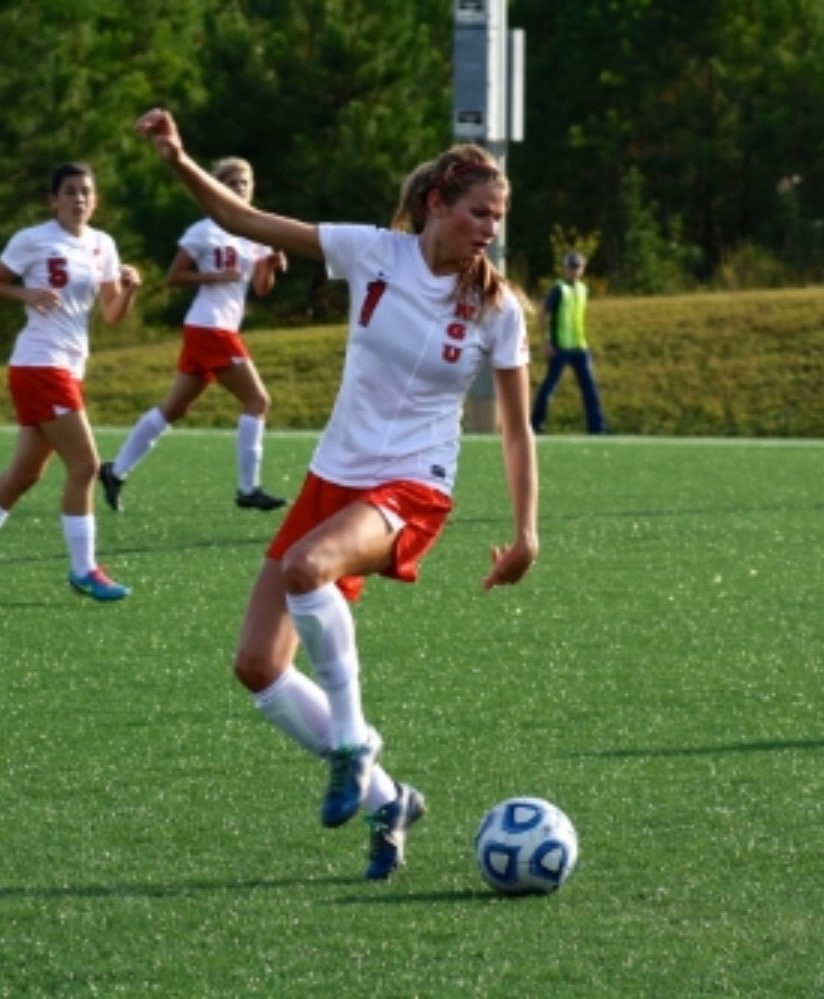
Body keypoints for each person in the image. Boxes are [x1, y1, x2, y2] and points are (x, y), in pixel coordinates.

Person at [135, 108, 540, 881]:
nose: (491, 228)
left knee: (307, 568)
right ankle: (391, 798)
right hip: (335, 477)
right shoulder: (371, 251)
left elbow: (517, 430)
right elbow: (241, 216)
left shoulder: (497, 309)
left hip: (413, 488)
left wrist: (527, 533)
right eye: (479, 212)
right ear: (437, 205)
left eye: (499, 216)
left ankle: (353, 745)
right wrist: (178, 159)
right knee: (256, 664)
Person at [0, 162, 140, 603]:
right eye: (69, 191)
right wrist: (24, 292)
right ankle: (84, 570)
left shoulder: (104, 244)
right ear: (53, 200)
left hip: (68, 368)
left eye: (86, 192)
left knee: (25, 473)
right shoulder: (33, 239)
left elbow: (111, 314)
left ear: (95, 200)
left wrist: (130, 290)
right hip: (38, 364)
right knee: (85, 466)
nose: (78, 199)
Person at [98, 157, 289, 513]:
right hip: (208, 325)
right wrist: (215, 277)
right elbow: (174, 276)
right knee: (257, 400)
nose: (240, 189)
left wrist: (269, 265)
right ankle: (249, 488)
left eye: (245, 183)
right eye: (232, 183)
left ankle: (116, 470)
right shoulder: (205, 230)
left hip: (219, 327)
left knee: (175, 407)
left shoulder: (256, 231)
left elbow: (262, 288)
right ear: (217, 188)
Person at [530, 250, 607, 434]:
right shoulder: (558, 289)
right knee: (549, 387)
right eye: (571, 267)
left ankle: (597, 427)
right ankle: (536, 424)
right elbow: (543, 315)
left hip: (579, 345)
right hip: (560, 346)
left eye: (577, 267)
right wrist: (546, 341)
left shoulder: (583, 289)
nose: (574, 271)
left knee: (590, 387)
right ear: (565, 269)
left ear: (583, 269)